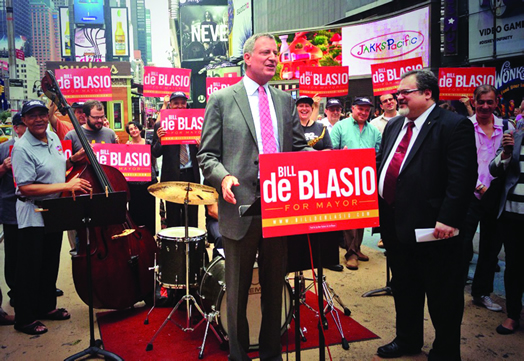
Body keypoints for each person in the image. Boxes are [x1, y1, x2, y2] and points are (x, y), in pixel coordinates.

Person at [197, 33, 311, 361]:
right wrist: (223, 177)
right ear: (247, 58)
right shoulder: (222, 99)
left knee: (275, 290)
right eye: (266, 52)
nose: (273, 57)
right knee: (237, 292)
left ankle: (272, 354)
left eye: (276, 52)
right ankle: (238, 355)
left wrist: (324, 161)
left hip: (279, 209)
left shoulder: (285, 101)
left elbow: (299, 148)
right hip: (239, 211)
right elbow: (207, 154)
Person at [375, 70, 477, 360]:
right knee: (405, 289)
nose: (399, 97)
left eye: (405, 92)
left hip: (435, 230)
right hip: (396, 227)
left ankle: (445, 351)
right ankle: (407, 340)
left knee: (442, 296)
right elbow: (384, 165)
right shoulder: (395, 125)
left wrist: (449, 218)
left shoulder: (453, 125)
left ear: (427, 93)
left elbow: (462, 178)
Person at [11, 100, 92, 335]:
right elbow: (25, 188)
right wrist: (67, 184)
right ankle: (25, 318)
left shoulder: (53, 137)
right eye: (32, 116)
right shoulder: (22, 148)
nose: (38, 119)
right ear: (24, 120)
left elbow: (54, 166)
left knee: (49, 262)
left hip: (54, 210)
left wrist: (73, 160)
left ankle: (46, 307)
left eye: (42, 114)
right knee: (30, 267)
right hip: (33, 212)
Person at [461, 85, 509, 313]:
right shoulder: (464, 127)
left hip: (496, 197)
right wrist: (477, 186)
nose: (485, 106)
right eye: (481, 102)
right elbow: (459, 163)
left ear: (496, 103)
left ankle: (481, 293)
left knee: (490, 249)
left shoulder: (507, 128)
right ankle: (454, 290)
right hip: (469, 195)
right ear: (474, 101)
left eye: (490, 102)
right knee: (461, 246)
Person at [330, 97, 381, 270]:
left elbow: (379, 153)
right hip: (345, 179)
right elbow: (330, 151)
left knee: (362, 216)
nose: (363, 113)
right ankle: (350, 253)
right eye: (360, 109)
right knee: (349, 218)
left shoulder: (373, 131)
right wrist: (340, 155)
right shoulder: (340, 127)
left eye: (367, 110)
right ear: (353, 108)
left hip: (365, 179)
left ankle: (357, 248)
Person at [488, 118, 524, 335]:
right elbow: (494, 169)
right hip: (514, 216)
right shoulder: (514, 138)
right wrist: (506, 154)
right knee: (514, 266)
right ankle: (512, 315)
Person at [152, 91, 200, 228]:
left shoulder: (196, 123)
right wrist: (160, 140)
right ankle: (175, 248)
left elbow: (205, 152)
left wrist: (200, 145)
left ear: (187, 104)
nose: (180, 106)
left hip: (191, 174)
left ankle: (192, 247)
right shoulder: (160, 125)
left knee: (191, 215)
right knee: (173, 215)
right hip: (171, 177)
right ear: (170, 105)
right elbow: (155, 153)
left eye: (182, 103)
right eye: (176, 103)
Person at [0, 113, 27, 308]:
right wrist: (3, 167)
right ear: (16, 128)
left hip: (34, 207)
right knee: (14, 253)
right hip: (11, 208)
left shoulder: (44, 144)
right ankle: (15, 291)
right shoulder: (3, 149)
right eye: (23, 126)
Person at [124, 121, 157, 236]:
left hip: (148, 181)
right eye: (131, 129)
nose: (134, 131)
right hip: (133, 184)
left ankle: (150, 235)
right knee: (135, 210)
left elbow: (153, 160)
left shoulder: (148, 143)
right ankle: (137, 236)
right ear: (129, 132)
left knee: (149, 209)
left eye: (135, 128)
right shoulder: (127, 146)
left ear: (139, 129)